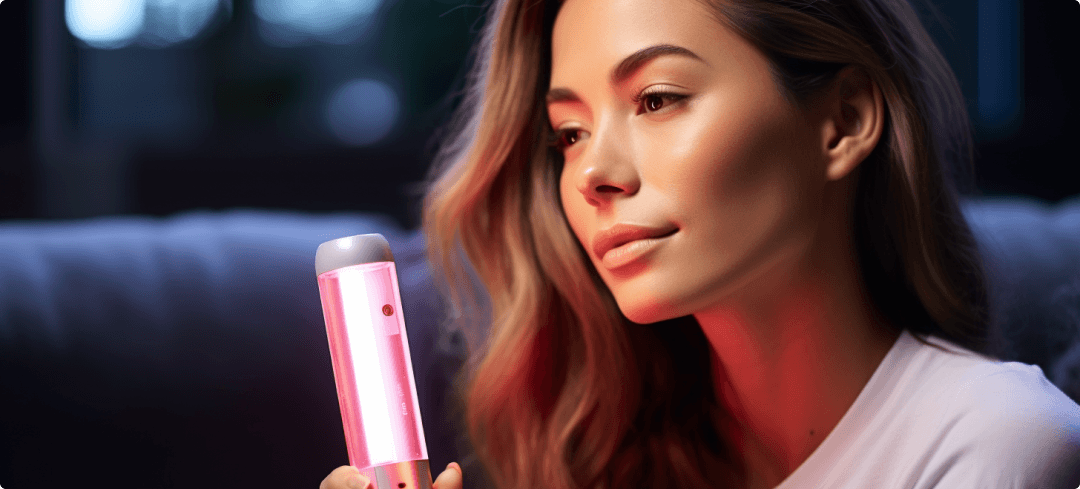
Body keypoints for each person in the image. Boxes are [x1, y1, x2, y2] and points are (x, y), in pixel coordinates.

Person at [323, 0, 1080, 487]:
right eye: (569, 133)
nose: (594, 173)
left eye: (656, 99)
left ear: (843, 120)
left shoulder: (1000, 448)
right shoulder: (607, 458)